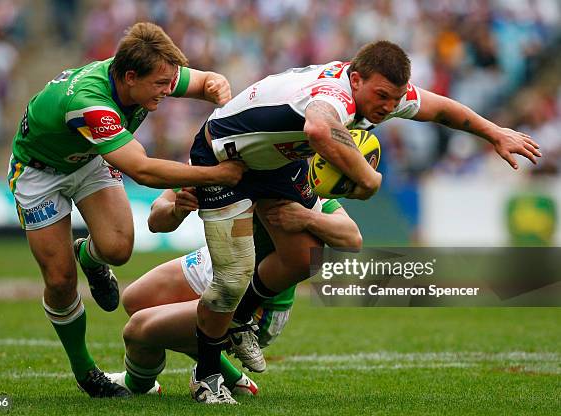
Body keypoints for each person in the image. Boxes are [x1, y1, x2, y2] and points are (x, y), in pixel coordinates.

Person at [186, 40, 541, 403]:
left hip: (276, 162)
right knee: (232, 278)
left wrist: (494, 132)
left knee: (303, 255)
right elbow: (319, 130)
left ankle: (239, 318)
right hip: (221, 156)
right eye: (382, 96)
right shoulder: (332, 94)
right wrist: (370, 180)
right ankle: (207, 375)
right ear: (355, 80)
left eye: (395, 98)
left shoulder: (380, 90)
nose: (387, 108)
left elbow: (440, 109)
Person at [6, 22, 245, 398]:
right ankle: (86, 372)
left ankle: (88, 253)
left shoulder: (148, 71)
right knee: (59, 280)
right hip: (39, 172)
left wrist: (219, 89)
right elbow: (143, 170)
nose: (168, 90)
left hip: (88, 160)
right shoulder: (90, 103)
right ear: (130, 77)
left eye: (170, 82)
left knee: (118, 248)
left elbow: (205, 81)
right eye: (161, 85)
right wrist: (214, 174)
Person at [105, 188, 360, 403]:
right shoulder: (217, 152)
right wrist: (176, 209)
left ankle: (138, 384)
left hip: (255, 304)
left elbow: (352, 238)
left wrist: (307, 218)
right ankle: (230, 376)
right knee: (135, 299)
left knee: (138, 330)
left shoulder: (284, 174)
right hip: (217, 261)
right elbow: (155, 220)